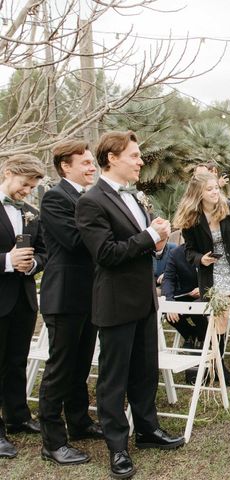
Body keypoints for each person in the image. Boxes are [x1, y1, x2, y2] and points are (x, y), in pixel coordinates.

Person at [76, 131, 184, 479]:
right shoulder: (91, 201)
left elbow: (139, 250)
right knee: (113, 378)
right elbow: (106, 254)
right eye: (135, 156)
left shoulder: (135, 197)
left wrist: (157, 241)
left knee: (144, 370)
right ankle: (117, 447)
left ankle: (148, 430)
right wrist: (148, 237)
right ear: (112, 158)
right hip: (115, 302)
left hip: (143, 299)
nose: (140, 162)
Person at [38, 140, 103, 466]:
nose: (92, 167)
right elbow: (76, 241)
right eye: (86, 163)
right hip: (63, 296)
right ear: (66, 166)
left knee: (80, 366)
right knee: (59, 369)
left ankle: (79, 422)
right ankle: (52, 441)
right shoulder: (54, 198)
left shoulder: (86, 198)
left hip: (89, 295)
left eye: (93, 163)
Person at [175, 173, 230, 382]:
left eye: (216, 188)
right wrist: (200, 259)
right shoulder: (191, 218)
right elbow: (189, 251)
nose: (215, 192)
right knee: (220, 322)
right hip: (211, 275)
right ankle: (219, 363)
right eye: (209, 189)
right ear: (198, 194)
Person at [0, 154, 47, 459]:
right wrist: (6, 261)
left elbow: (44, 251)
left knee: (16, 360)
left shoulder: (31, 213)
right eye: (23, 184)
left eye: (31, 187)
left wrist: (32, 266)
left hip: (24, 299)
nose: (26, 191)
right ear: (7, 172)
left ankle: (18, 416)